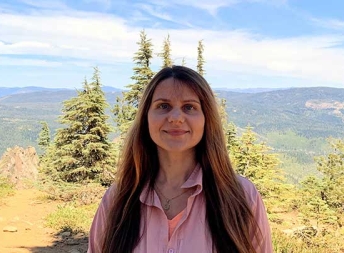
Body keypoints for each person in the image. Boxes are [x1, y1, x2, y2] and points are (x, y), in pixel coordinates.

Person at [88, 65, 272, 253]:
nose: (176, 117)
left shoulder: (242, 197)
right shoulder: (117, 200)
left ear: (206, 118)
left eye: (189, 107)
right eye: (163, 106)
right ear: (146, 117)